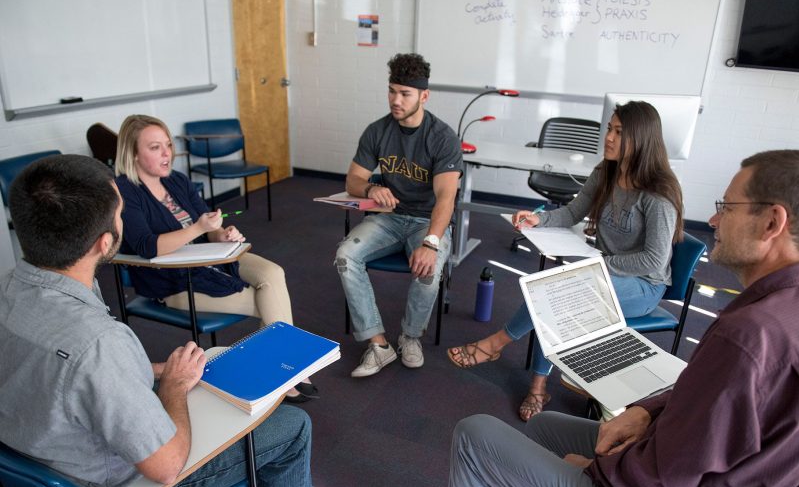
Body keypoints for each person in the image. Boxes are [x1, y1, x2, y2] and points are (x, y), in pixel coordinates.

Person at [407, 150, 799, 487]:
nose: (712, 220)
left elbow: (666, 479)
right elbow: (715, 415)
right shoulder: (781, 312)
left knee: (474, 433)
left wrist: (599, 472)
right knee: (545, 430)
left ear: (772, 223)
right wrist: (646, 411)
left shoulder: (748, 336)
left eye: (726, 207)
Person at [0, 154, 340, 487]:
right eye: (120, 214)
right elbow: (165, 466)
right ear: (105, 243)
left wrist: (153, 371)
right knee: (290, 428)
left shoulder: (9, 292)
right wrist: (173, 387)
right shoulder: (99, 341)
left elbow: (68, 376)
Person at [448, 101, 683, 421]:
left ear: (640, 139)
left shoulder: (657, 194)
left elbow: (654, 261)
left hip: (643, 286)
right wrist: (538, 220)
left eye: (618, 132)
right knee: (563, 292)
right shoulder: (606, 171)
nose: (608, 138)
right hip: (601, 271)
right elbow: (573, 212)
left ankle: (501, 348)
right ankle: (537, 384)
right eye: (609, 129)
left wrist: (599, 266)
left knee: (565, 294)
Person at [115, 114, 316, 402]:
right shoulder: (125, 191)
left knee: (274, 274)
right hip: (172, 281)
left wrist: (222, 233)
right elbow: (147, 246)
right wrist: (199, 228)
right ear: (133, 154)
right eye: (155, 147)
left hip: (210, 256)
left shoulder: (177, 181)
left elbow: (209, 226)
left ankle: (281, 373)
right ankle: (289, 375)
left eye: (168, 145)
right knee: (268, 302)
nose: (167, 153)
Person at [335, 52, 462, 377]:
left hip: (426, 220)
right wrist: (369, 189)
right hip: (389, 218)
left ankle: (410, 335)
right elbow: (353, 179)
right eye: (392, 91)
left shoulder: (442, 137)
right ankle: (378, 345)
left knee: (428, 269)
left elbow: (446, 198)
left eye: (405, 94)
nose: (396, 100)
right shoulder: (378, 131)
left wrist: (432, 243)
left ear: (424, 95)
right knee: (346, 256)